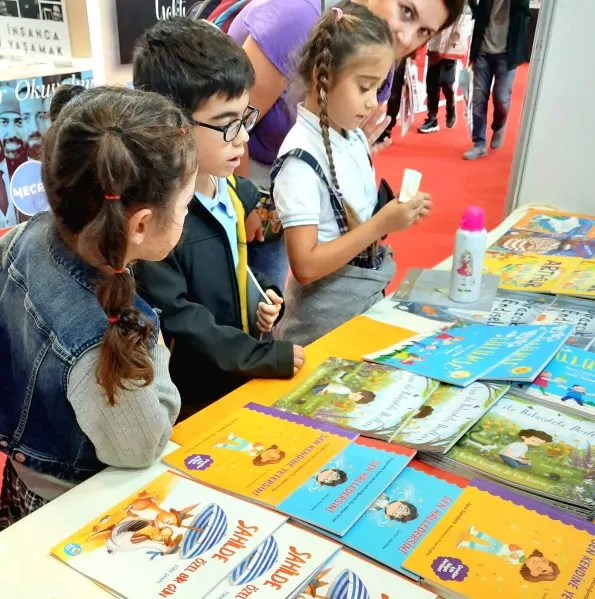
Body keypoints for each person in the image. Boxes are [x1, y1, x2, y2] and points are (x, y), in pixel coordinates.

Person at [0, 85, 198, 529]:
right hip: (70, 510)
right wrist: (152, 346)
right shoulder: (99, 341)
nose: (187, 214)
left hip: (24, 477)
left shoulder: (27, 235)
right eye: (185, 205)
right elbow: (142, 445)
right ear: (141, 224)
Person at [132, 18, 304, 417]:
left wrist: (262, 294)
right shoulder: (158, 222)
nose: (243, 137)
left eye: (245, 118)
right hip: (193, 400)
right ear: (172, 126)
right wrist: (258, 355)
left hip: (237, 379)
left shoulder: (228, 189)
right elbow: (180, 317)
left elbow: (234, 262)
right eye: (227, 125)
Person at [229, 0, 466, 289]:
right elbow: (232, 123)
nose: (406, 38)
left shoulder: (374, 56)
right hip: (235, 175)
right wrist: (243, 203)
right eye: (406, 11)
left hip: (289, 205)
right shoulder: (296, 18)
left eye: (424, 32)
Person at [271, 2, 432, 347]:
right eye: (364, 87)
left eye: (378, 87)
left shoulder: (352, 135)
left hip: (360, 307)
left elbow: (353, 218)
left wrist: (396, 212)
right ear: (323, 76)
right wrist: (379, 225)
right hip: (321, 328)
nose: (373, 102)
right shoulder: (300, 160)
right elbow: (305, 266)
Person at [464, 0, 531, 160]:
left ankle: (498, 126)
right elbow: (477, 12)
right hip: (483, 52)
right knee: (478, 99)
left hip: (507, 55)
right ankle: (479, 143)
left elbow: (523, 8)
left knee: (501, 98)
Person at [417, 52, 457, 133]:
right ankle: (432, 118)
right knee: (432, 87)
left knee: (447, 84)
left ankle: (450, 107)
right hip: (434, 53)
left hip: (449, 54)